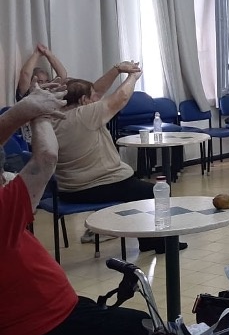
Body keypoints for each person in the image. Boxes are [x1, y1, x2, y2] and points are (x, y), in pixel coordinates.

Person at [0, 84, 150, 335]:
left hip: (44, 315)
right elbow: (45, 158)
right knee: (140, 328)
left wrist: (25, 111)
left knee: (96, 325)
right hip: (30, 331)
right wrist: (37, 112)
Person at [52, 61, 186, 253]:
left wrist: (116, 70)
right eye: (92, 97)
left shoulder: (55, 117)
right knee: (157, 191)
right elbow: (121, 97)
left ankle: (149, 241)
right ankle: (161, 244)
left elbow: (95, 91)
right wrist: (133, 76)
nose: (97, 98)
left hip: (68, 190)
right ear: (83, 100)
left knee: (136, 186)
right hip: (95, 185)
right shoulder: (84, 115)